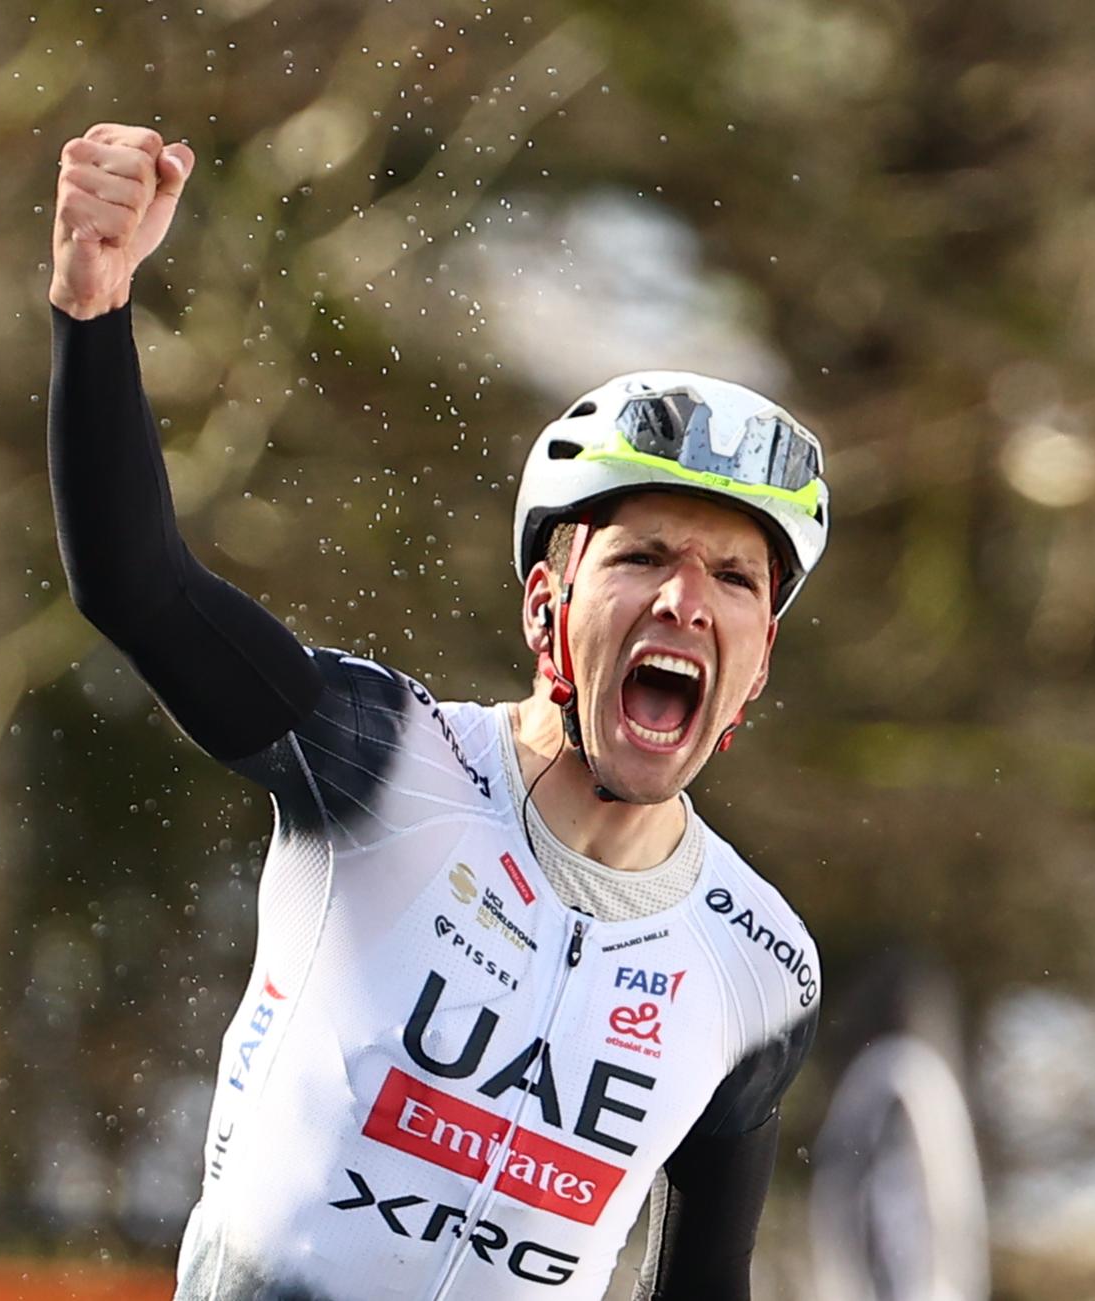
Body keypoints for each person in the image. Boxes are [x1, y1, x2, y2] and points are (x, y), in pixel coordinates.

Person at [46, 123, 827, 1301]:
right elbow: (138, 588)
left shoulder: (759, 968)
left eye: (734, 579)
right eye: (644, 556)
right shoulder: (379, 757)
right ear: (544, 608)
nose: (684, 599)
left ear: (758, 663)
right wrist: (93, 307)